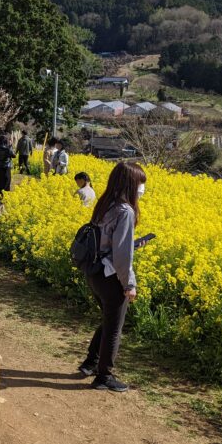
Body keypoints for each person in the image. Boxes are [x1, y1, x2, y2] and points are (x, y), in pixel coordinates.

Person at [78, 162, 147, 392]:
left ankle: (91, 362)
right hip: (110, 277)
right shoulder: (126, 211)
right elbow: (121, 257)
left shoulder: (105, 204)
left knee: (108, 320)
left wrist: (132, 245)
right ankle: (104, 375)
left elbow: (107, 243)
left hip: (95, 273)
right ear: (131, 184)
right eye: (141, 183)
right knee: (114, 327)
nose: (142, 189)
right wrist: (129, 284)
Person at [0, 134, 16, 205]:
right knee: (6, 184)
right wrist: (11, 146)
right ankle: (5, 199)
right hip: (6, 168)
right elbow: (14, 155)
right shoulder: (7, 149)